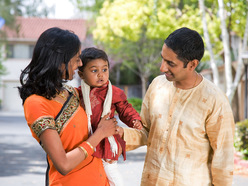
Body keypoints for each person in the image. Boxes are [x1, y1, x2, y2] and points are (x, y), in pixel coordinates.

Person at [119, 27, 235, 186]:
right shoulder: (157, 86)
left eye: (170, 63)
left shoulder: (214, 100)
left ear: (193, 64)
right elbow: (146, 131)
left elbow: (223, 157)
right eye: (162, 59)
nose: (162, 68)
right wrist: (120, 134)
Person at [18, 27, 119, 186]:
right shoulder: (36, 103)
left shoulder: (73, 93)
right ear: (59, 61)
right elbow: (63, 164)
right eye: (77, 58)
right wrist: (100, 134)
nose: (80, 64)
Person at [76, 47, 143, 186]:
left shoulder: (113, 92)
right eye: (94, 71)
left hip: (106, 140)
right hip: (87, 139)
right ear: (81, 75)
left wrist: (134, 120)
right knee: (92, 176)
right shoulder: (77, 94)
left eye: (104, 69)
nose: (101, 75)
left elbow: (125, 108)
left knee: (111, 172)